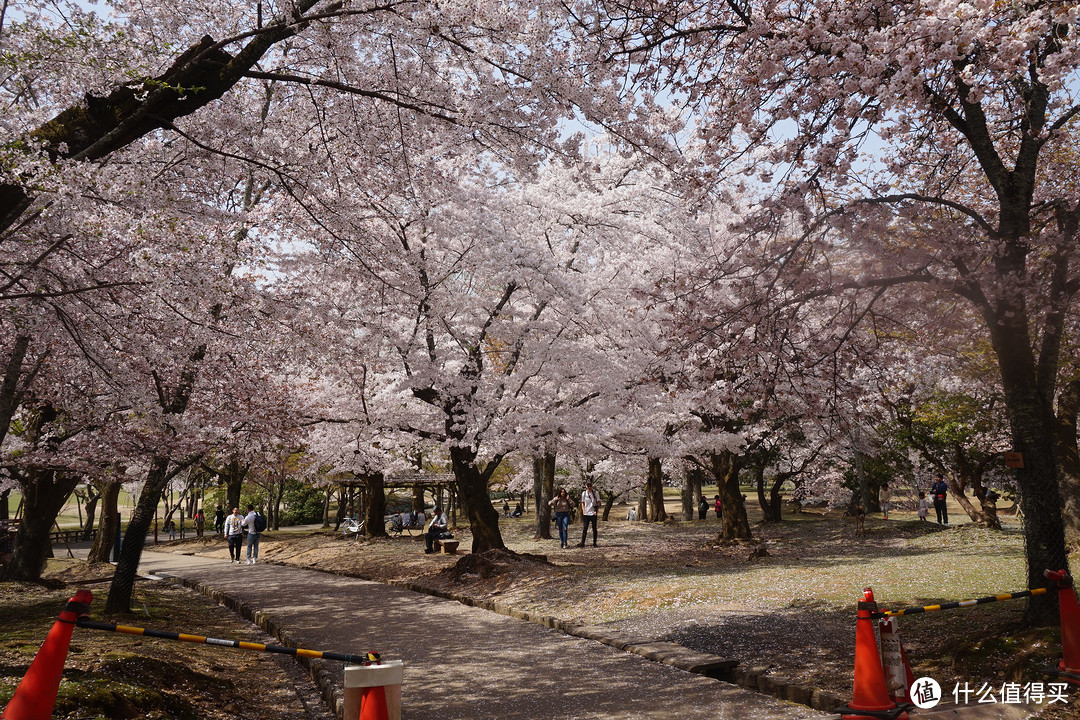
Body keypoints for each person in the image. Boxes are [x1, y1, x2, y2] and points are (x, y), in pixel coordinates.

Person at [578, 480, 600, 547]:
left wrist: (596, 511)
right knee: (585, 528)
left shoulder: (595, 493)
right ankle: (582, 542)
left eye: (590, 486)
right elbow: (582, 503)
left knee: (594, 528)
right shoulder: (584, 493)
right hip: (586, 513)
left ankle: (594, 543)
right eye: (588, 486)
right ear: (586, 486)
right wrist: (583, 511)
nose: (589, 487)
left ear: (592, 486)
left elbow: (598, 502)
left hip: (593, 513)